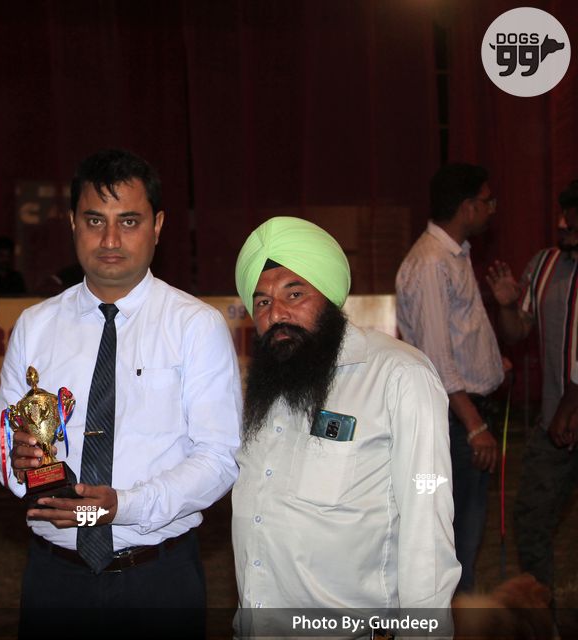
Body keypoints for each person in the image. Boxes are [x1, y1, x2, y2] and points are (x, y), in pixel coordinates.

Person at [0, 149, 240, 633]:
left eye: (129, 221)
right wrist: (16, 461)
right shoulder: (35, 326)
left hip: (158, 577)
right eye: (94, 220)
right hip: (54, 577)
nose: (110, 239)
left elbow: (220, 456)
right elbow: (1, 435)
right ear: (72, 223)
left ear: (157, 225)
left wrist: (124, 505)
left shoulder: (195, 326)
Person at [231, 217, 459, 633]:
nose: (276, 314)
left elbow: (428, 529)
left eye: (294, 294)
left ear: (329, 295)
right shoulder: (269, 386)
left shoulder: (399, 375)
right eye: (262, 302)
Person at [396, 163, 504, 594]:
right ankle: (453, 619)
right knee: (454, 542)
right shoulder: (431, 262)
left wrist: (491, 363)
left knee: (466, 536)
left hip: (468, 414)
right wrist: (474, 426)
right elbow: (437, 359)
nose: (492, 209)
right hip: (458, 420)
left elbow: (456, 337)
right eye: (488, 201)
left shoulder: (454, 254)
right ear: (467, 206)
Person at [485, 179, 578, 597]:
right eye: (562, 216)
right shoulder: (544, 265)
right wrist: (507, 306)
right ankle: (543, 619)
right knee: (531, 521)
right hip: (554, 426)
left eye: (571, 219)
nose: (562, 225)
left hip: (566, 412)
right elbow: (517, 332)